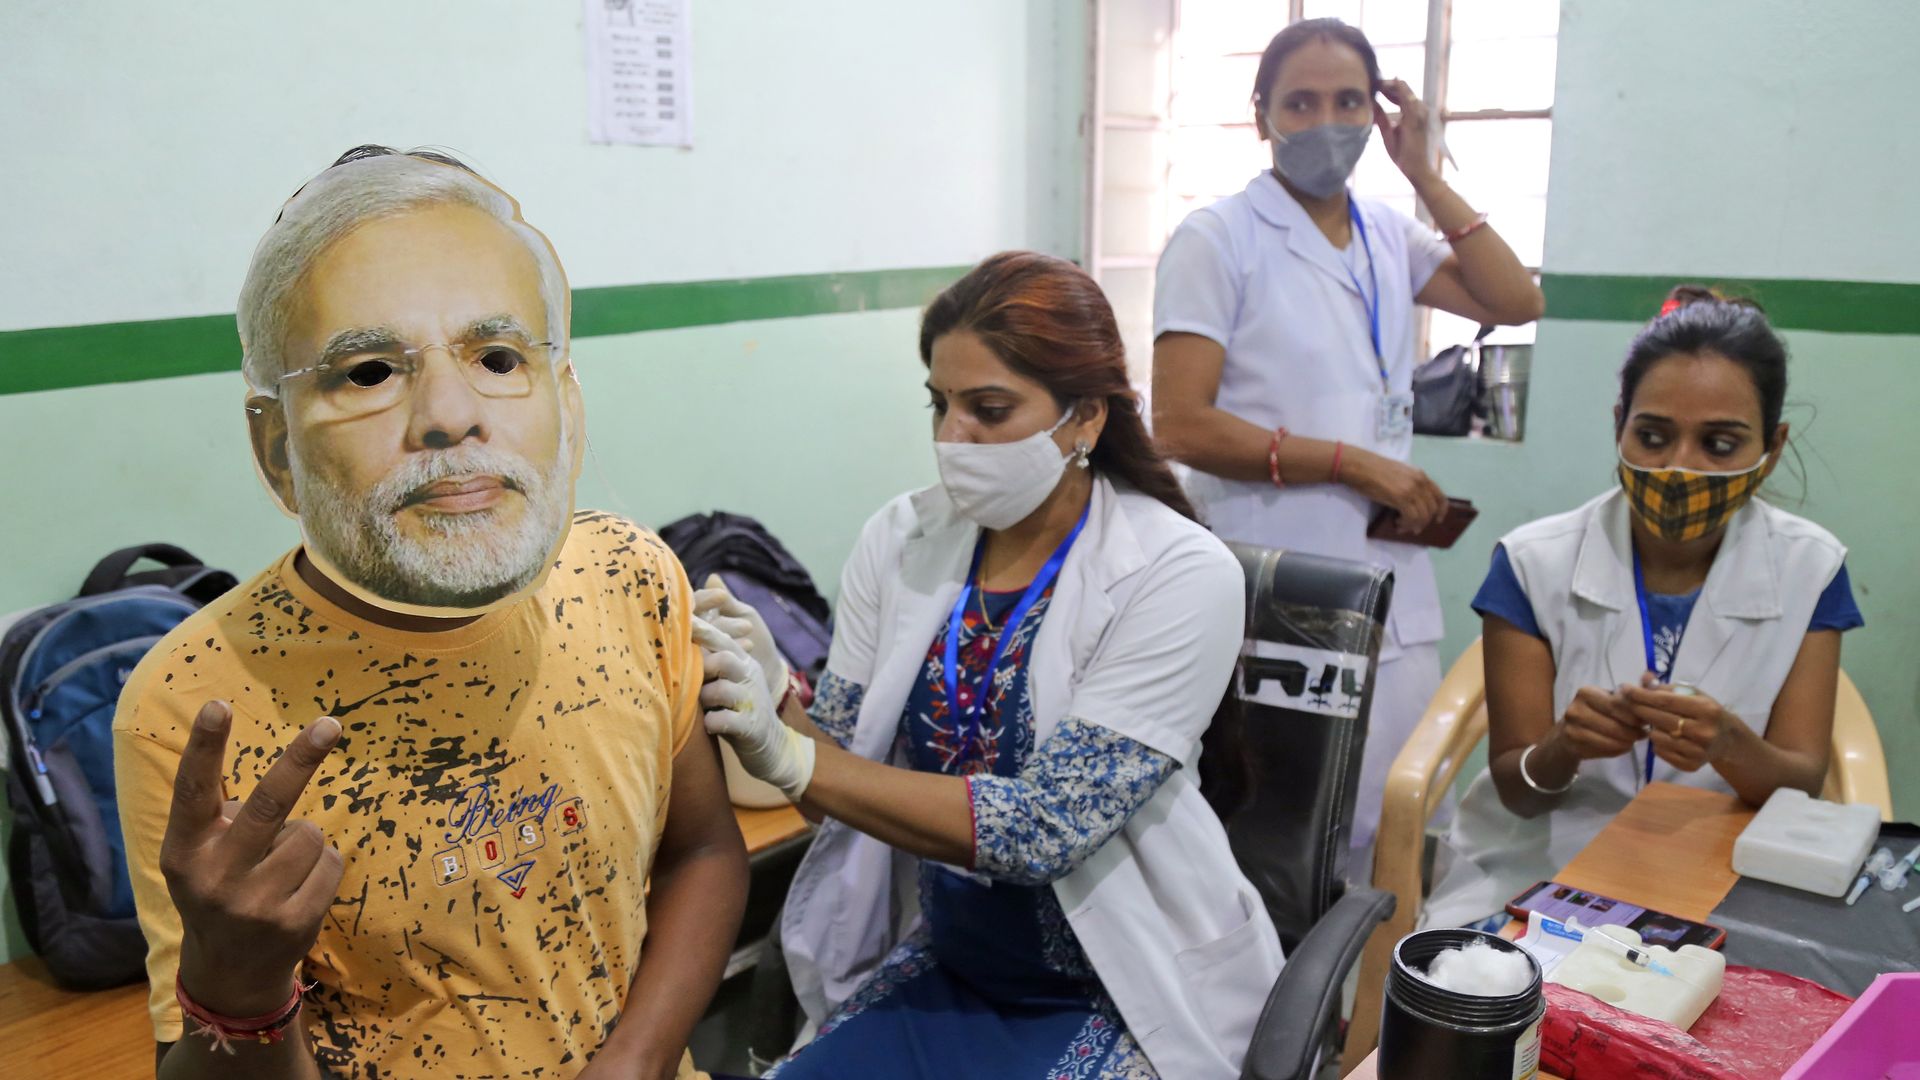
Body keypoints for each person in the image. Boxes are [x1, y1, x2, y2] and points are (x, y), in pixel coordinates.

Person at [113, 146, 746, 1080]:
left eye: (498, 358)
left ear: (565, 401)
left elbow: (703, 852)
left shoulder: (631, 578)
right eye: (370, 371)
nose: (450, 413)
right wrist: (235, 987)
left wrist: (638, 1062)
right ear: (277, 447)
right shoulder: (192, 701)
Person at [692, 252, 1282, 1079]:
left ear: (1085, 418)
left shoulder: (1177, 571)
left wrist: (794, 756)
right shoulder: (900, 541)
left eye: (989, 410)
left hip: (1125, 984)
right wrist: (776, 701)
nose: (951, 437)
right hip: (953, 961)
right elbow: (837, 786)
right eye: (940, 403)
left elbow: (1045, 829)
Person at [1150, 18, 1545, 870]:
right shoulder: (1218, 237)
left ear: (1378, 113)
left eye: (1348, 102)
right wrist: (1350, 462)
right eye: (1300, 103)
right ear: (1261, 115)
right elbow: (1180, 424)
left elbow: (1516, 301)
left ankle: (1373, 962)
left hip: (1385, 575)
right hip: (1269, 574)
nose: (1325, 123)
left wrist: (1424, 173)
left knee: (1389, 821)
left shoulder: (1386, 232)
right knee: (1271, 830)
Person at [1422, 287, 1864, 929]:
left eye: (1719, 445)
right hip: (1542, 868)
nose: (1679, 469)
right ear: (1619, 426)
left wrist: (1729, 743)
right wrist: (1563, 746)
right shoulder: (1532, 563)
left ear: (1772, 449)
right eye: (1653, 436)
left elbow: (1801, 782)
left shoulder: (1810, 570)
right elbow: (1517, 791)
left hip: (1724, 877)